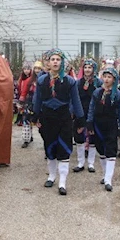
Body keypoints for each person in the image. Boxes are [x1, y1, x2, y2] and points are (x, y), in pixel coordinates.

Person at [33, 49, 84, 196]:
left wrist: (81, 120)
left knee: (64, 148)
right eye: (52, 59)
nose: (55, 62)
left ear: (62, 62)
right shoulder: (42, 81)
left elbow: (76, 101)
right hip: (47, 118)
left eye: (58, 59)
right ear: (48, 63)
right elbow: (37, 100)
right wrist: (35, 116)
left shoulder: (70, 81)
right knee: (50, 148)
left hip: (64, 118)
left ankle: (62, 182)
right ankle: (51, 176)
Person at [87, 67, 120, 191]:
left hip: (111, 124)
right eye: (105, 76)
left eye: (109, 77)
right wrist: (89, 122)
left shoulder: (118, 94)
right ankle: (105, 174)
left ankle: (108, 179)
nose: (106, 79)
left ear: (114, 79)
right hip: (98, 124)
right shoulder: (97, 92)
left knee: (110, 150)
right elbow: (91, 108)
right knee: (101, 149)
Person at [73, 58, 101, 173]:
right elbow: (74, 98)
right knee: (79, 138)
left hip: (94, 113)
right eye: (85, 67)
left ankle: (91, 163)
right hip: (80, 112)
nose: (87, 70)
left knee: (93, 137)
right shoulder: (77, 83)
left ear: (93, 69)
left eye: (90, 67)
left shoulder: (98, 83)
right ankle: (80, 163)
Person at [16, 62, 36, 148]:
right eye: (25, 69)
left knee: (28, 120)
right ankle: (27, 138)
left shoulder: (33, 80)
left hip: (30, 102)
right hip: (23, 101)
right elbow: (20, 90)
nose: (26, 71)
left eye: (28, 69)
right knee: (25, 120)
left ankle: (28, 138)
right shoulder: (21, 79)